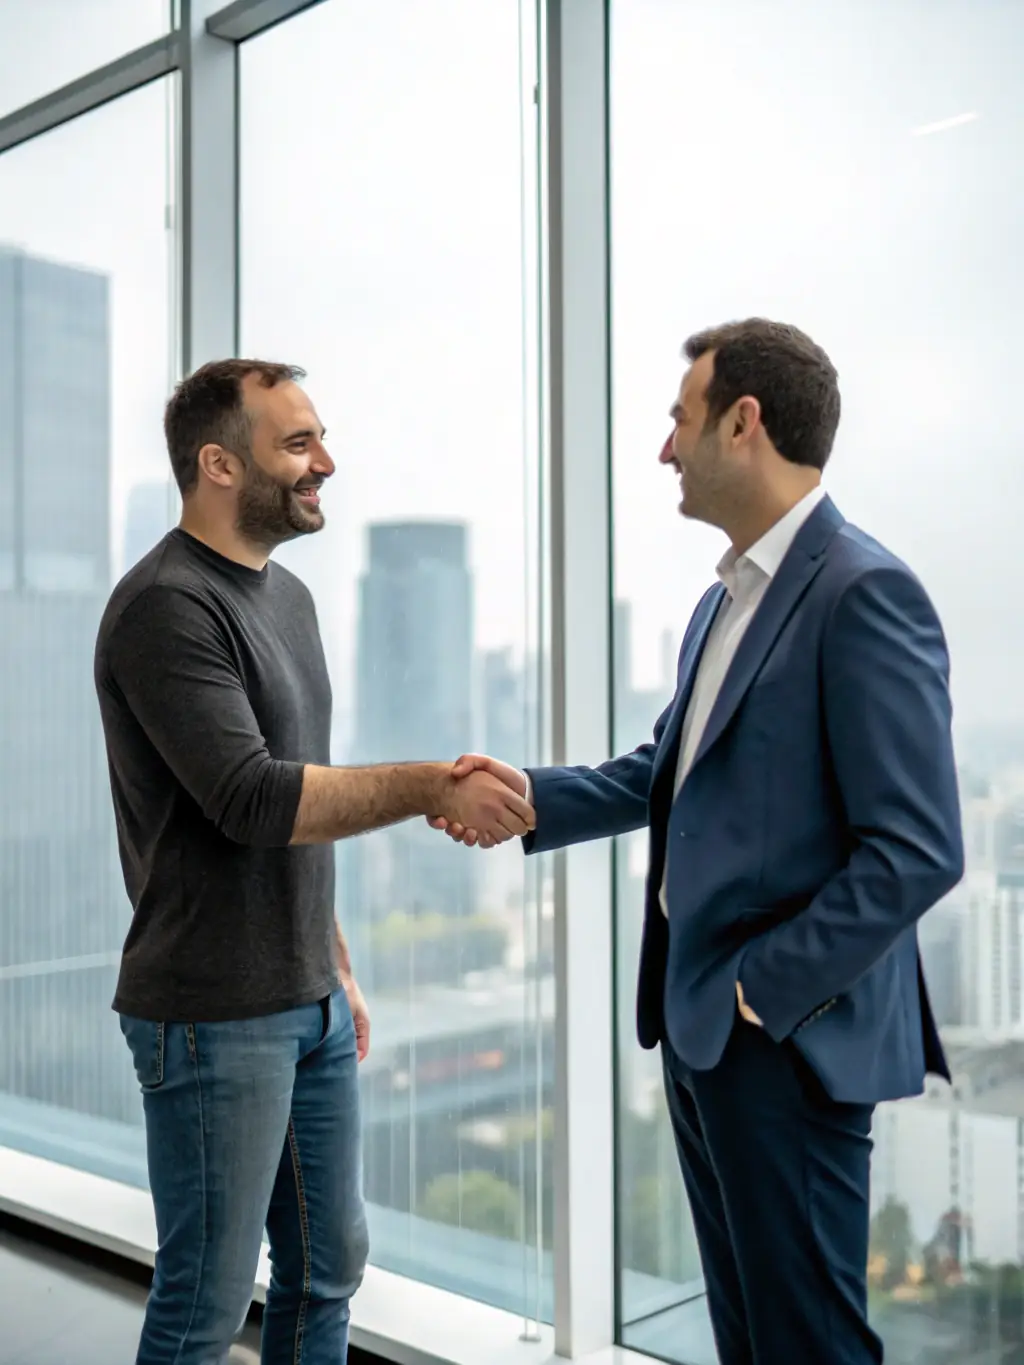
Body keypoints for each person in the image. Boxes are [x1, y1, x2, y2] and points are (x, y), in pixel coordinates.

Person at [430, 319, 964, 1364]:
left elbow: (917, 847)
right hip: (706, 1032)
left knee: (806, 1340)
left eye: (679, 419)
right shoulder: (725, 600)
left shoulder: (862, 592)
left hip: (783, 1038)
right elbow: (663, 775)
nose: (664, 447)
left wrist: (764, 988)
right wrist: (526, 796)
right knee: (751, 1335)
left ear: (743, 421)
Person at [94, 358, 534, 1365]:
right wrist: (431, 783)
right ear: (216, 464)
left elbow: (301, 788)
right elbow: (251, 798)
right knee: (204, 1307)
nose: (324, 463)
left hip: (308, 1003)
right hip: (211, 1015)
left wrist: (330, 956)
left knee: (327, 1273)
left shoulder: (284, 596)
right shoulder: (164, 607)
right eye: (297, 444)